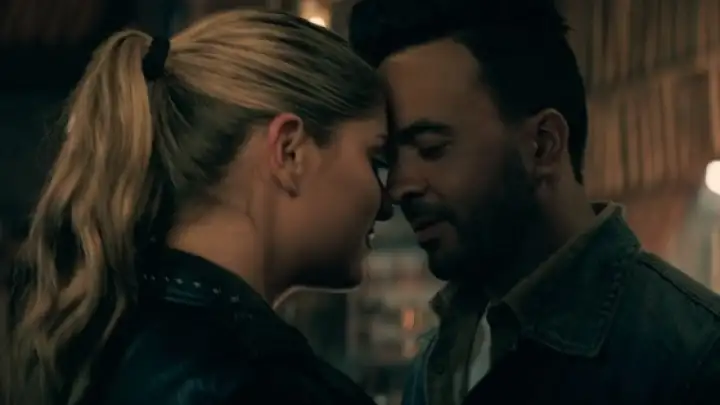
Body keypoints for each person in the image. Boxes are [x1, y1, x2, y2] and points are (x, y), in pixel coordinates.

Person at [1, 9, 392, 405]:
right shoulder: (265, 385)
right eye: (374, 160)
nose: (387, 203)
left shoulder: (100, 346)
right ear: (290, 151)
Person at [349, 0, 720, 404]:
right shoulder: (442, 358)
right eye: (390, 160)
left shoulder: (694, 357)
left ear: (543, 145)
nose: (399, 187)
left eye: (431, 148)